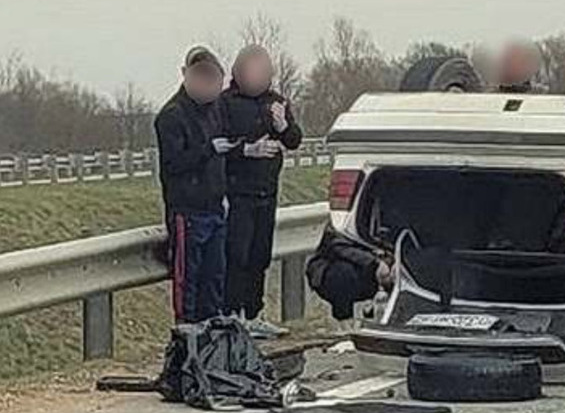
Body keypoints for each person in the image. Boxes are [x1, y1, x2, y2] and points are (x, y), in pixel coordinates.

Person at [222, 44, 303, 338]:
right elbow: (218, 148)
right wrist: (247, 149)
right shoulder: (226, 104)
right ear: (239, 73)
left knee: (259, 255)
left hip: (267, 192)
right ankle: (232, 314)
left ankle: (254, 314)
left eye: (263, 72)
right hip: (237, 193)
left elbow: (294, 140)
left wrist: (282, 125)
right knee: (237, 255)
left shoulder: (276, 102)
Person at [155, 45, 237, 323]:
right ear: (186, 76)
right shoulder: (172, 116)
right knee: (187, 282)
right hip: (187, 212)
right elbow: (173, 163)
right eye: (200, 77)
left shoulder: (215, 112)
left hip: (215, 209)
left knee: (214, 279)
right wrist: (209, 149)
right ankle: (187, 337)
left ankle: (211, 336)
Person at [306, 227, 392, 324]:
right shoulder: (343, 220)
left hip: (375, 267)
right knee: (343, 273)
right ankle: (343, 320)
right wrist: (376, 263)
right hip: (334, 271)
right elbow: (338, 245)